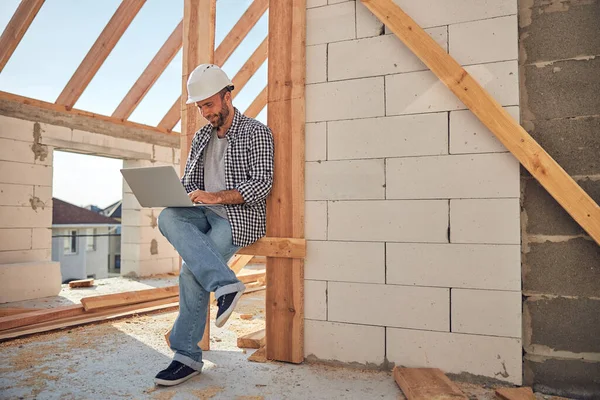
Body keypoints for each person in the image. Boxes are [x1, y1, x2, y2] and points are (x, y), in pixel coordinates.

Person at [154, 64, 274, 386]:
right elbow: (190, 180)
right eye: (200, 107)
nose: (205, 112)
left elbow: (262, 184)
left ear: (227, 95)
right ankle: (225, 284)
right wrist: (183, 194)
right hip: (204, 211)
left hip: (240, 216)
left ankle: (186, 357)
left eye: (209, 104)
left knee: (191, 270)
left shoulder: (256, 132)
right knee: (167, 216)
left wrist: (217, 196)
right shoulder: (202, 136)